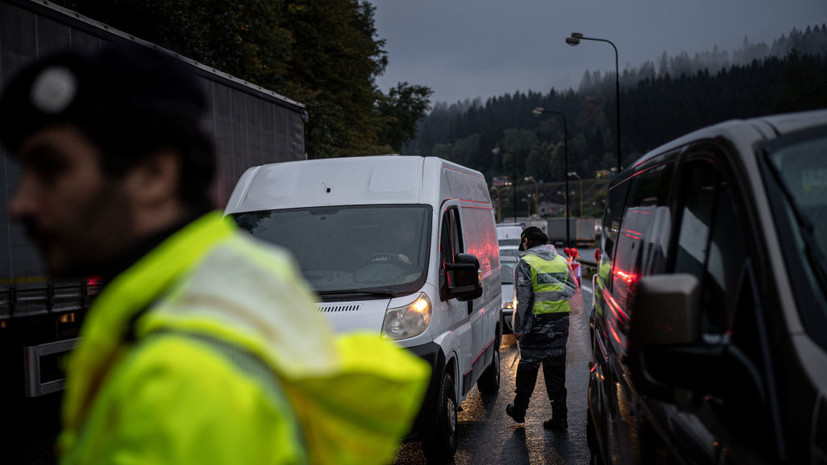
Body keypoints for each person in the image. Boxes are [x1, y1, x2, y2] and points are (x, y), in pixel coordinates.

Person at [0, 44, 428, 465]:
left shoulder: (185, 381)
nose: (21, 203)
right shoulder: (232, 295)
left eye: (51, 168)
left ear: (155, 175)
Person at [506, 226, 577, 431]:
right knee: (555, 373)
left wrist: (519, 328)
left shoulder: (526, 263)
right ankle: (560, 418)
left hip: (535, 327)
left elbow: (524, 299)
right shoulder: (561, 262)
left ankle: (519, 410)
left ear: (527, 241)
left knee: (528, 369)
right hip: (559, 325)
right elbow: (572, 290)